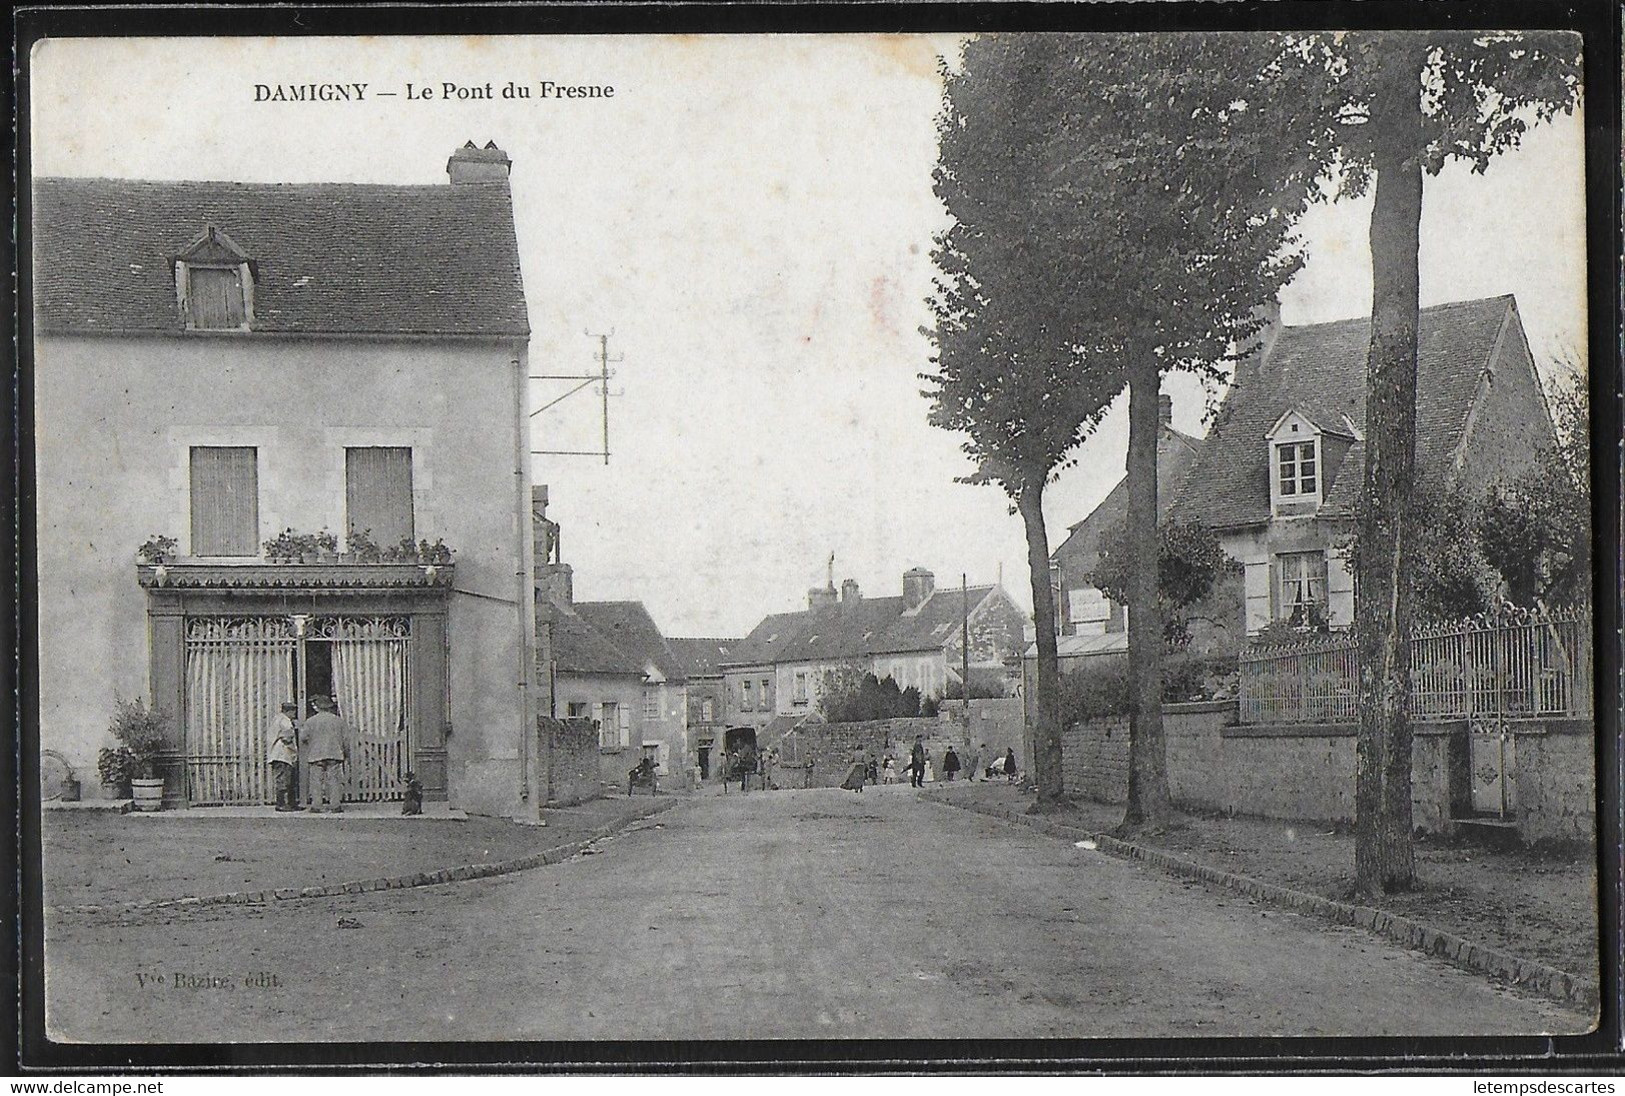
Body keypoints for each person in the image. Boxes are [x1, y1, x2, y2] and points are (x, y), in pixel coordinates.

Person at [300, 695, 351, 812]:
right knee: (334, 780)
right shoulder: (339, 721)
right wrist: (346, 754)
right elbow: (346, 740)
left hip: (316, 754)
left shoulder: (310, 721)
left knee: (316, 781)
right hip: (334, 753)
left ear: (317, 707)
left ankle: (317, 805)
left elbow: (303, 737)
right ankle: (335, 805)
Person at [268, 701, 301, 811]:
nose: (294, 714)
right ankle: (282, 804)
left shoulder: (277, 719)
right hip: (283, 754)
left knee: (286, 779)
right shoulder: (285, 721)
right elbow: (287, 738)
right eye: (293, 711)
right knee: (285, 780)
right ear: (288, 711)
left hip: (277, 754)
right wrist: (294, 752)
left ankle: (289, 803)